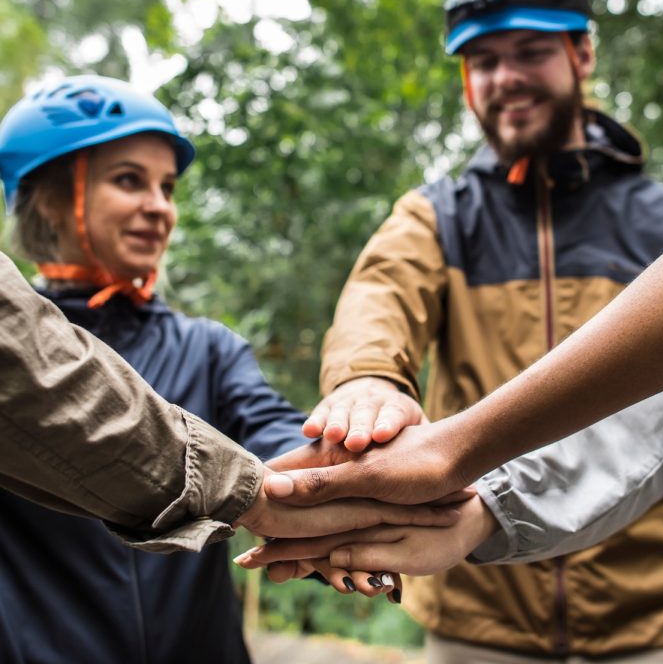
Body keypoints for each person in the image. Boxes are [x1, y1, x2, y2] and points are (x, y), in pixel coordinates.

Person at [237, 0, 663, 663]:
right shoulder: (436, 216)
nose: (506, 78)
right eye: (483, 59)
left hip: (654, 626)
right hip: (476, 620)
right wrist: (369, 382)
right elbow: (380, 294)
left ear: (582, 53)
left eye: (531, 50)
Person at [0, 75, 460, 662]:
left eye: (166, 187)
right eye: (127, 181)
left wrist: (354, 479)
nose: (159, 207)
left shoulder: (206, 347)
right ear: (50, 200)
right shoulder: (11, 363)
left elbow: (275, 441)